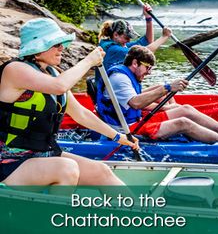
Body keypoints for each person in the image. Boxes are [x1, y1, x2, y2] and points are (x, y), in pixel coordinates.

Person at [0, 18, 139, 187]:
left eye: (62, 43)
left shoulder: (53, 73)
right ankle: (53, 213)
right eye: (56, 44)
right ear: (37, 47)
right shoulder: (15, 70)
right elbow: (59, 86)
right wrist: (88, 61)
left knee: (101, 172)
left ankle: (141, 212)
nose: (62, 48)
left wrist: (118, 137)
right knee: (67, 168)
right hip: (9, 159)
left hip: (43, 153)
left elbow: (80, 114)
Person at [97, 45, 218, 143]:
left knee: (186, 109)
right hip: (127, 129)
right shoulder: (120, 78)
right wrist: (168, 87)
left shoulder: (127, 75)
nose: (149, 72)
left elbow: (135, 100)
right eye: (148, 67)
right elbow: (136, 103)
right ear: (135, 63)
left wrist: (166, 93)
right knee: (183, 123)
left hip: (134, 120)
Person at [98, 4, 172, 72]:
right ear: (116, 35)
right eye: (127, 37)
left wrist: (148, 18)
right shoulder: (113, 49)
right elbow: (145, 53)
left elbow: (148, 41)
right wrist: (164, 37)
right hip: (107, 86)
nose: (129, 40)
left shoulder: (120, 44)